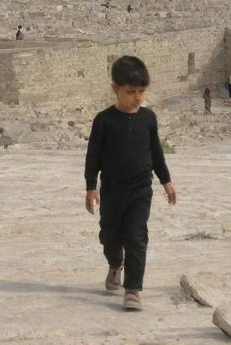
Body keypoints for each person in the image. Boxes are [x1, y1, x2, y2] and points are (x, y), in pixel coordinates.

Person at [84, 56, 177, 311]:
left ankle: (133, 289)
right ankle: (115, 264)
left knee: (136, 237)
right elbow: (93, 156)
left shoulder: (148, 118)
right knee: (110, 236)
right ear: (115, 88)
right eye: (131, 92)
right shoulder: (104, 120)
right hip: (112, 191)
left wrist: (166, 181)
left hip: (140, 190)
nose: (137, 97)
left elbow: (156, 152)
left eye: (142, 91)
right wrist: (91, 186)